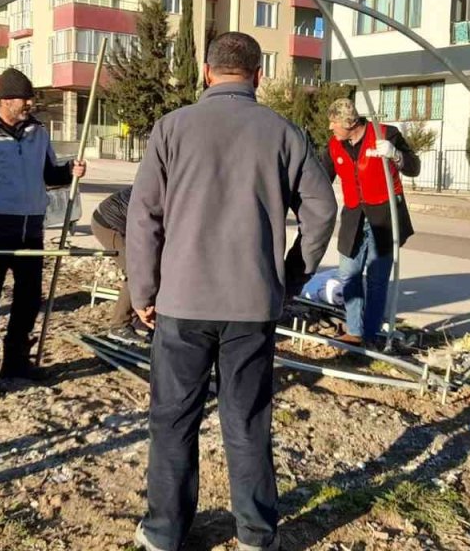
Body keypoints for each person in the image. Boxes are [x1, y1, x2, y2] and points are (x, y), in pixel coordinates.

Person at [128, 32, 337, 551]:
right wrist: (291, 276)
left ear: (205, 73)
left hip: (181, 303)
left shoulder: (171, 129)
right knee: (246, 421)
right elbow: (323, 210)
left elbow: (144, 215)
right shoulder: (284, 133)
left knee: (174, 419)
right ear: (259, 76)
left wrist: (143, 289)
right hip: (252, 305)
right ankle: (257, 536)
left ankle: (164, 534)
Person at [0, 68, 85, 392]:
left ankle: (16, 361)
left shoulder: (39, 133)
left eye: (30, 97)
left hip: (30, 232)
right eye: (24, 98)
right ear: (5, 100)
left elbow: (50, 174)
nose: (30, 103)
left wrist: (70, 171)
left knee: (27, 301)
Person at [320, 98, 421, 349]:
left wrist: (395, 155)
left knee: (377, 279)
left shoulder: (386, 135)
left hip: (385, 217)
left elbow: (414, 167)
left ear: (350, 123)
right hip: (354, 217)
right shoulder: (335, 145)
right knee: (348, 273)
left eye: (334, 122)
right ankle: (354, 330)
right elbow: (321, 176)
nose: (330, 127)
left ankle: (370, 334)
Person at [90, 186, 144, 340]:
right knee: (137, 272)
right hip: (108, 224)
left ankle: (139, 321)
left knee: (151, 268)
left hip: (128, 223)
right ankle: (119, 326)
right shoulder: (165, 190)